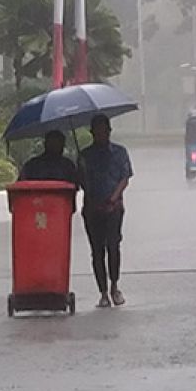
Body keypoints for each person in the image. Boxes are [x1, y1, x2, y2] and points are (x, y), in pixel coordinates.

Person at [78, 114, 133, 308]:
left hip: (114, 208)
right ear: (92, 133)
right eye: (97, 132)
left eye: (104, 131)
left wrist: (114, 197)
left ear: (109, 131)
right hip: (93, 210)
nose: (101, 135)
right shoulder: (84, 156)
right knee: (97, 251)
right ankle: (102, 292)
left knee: (113, 246)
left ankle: (115, 286)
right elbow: (81, 183)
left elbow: (125, 178)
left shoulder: (119, 152)